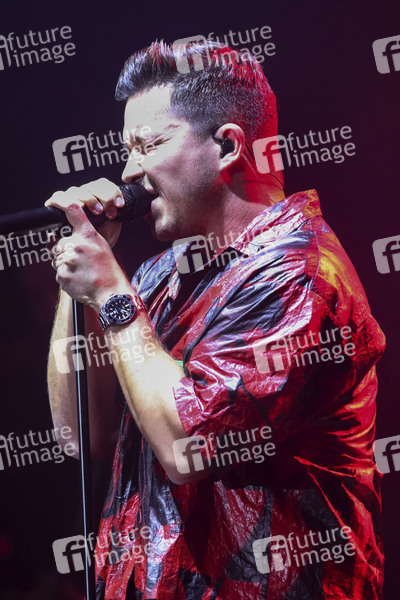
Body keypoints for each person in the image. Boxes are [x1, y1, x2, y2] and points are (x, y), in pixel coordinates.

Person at [46, 41, 386, 600]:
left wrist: (109, 291)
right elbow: (79, 435)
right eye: (127, 150)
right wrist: (82, 277)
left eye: (148, 145)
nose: (129, 171)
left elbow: (190, 447)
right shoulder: (159, 276)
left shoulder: (301, 275)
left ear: (227, 145)